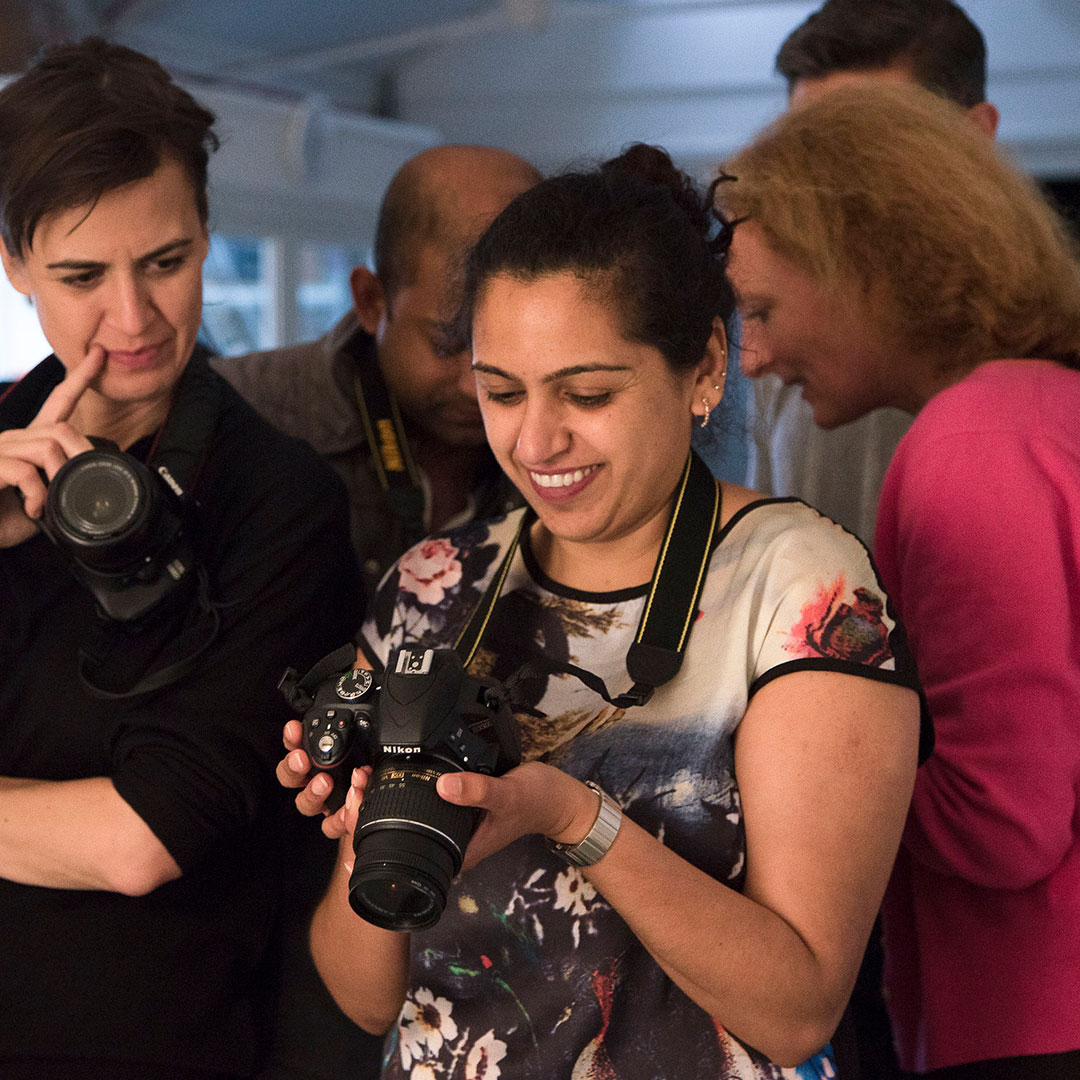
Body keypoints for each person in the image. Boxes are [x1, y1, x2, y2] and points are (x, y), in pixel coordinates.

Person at [277, 144, 926, 1079]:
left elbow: (798, 1008)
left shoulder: (804, 591)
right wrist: (371, 829)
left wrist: (570, 812)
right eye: (500, 391)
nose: (537, 441)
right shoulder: (435, 585)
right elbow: (367, 997)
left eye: (586, 394)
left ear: (704, 366)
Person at [0, 39, 359, 1079]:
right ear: (15, 263)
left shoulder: (279, 499)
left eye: (167, 261)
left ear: (209, 232)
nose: (133, 319)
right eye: (80, 275)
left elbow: (139, 841)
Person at [719, 81, 1080, 1078]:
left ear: (867, 266)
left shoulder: (974, 444)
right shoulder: (1044, 411)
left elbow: (1001, 821)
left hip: (1025, 1018)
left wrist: (777, 757)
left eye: (764, 309)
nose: (753, 358)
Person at [214, 145, 541, 597]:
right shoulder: (239, 411)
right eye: (448, 343)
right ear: (371, 300)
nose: (477, 386)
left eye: (512, 351)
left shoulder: (578, 440)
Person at [746, 0, 999, 544]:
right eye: (806, 150)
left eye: (865, 148)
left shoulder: (1043, 351)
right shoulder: (783, 342)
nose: (828, 186)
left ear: (975, 134)